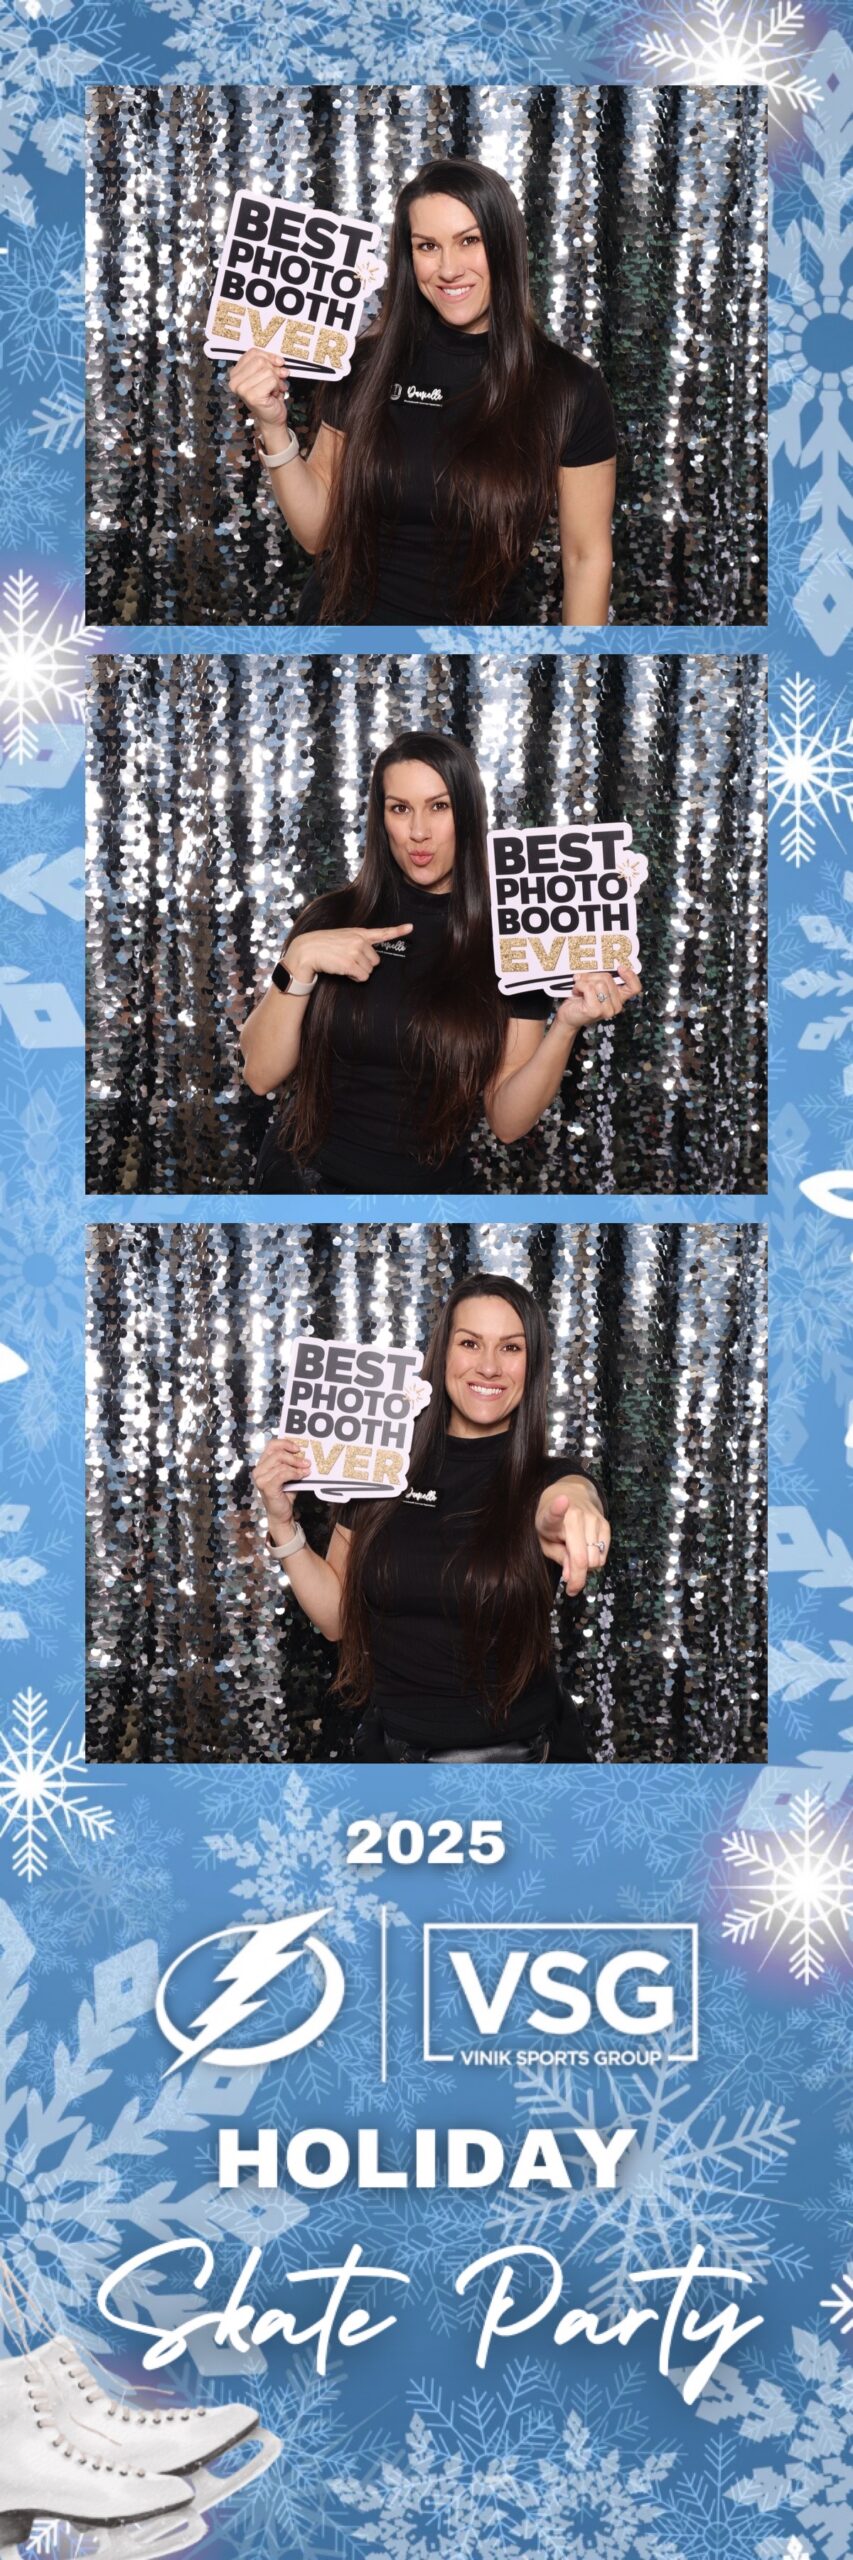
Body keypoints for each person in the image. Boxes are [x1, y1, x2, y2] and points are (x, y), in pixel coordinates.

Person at [239, 730, 640, 1194]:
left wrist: (567, 1025)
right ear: (381, 818)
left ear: (467, 814)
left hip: (430, 1200)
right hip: (303, 1186)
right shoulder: (332, 917)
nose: (418, 832)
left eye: (439, 806)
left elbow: (507, 1123)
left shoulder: (513, 937)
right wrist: (301, 958)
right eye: (400, 808)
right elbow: (260, 1073)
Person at [229, 157, 617, 627]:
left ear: (503, 244)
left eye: (469, 241)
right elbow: (317, 533)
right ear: (408, 257)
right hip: (343, 650)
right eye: (427, 246)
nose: (449, 268)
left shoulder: (568, 388)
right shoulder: (364, 363)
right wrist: (273, 426)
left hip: (481, 665)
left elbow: (585, 557)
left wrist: (578, 678)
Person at [253, 1274, 609, 1761]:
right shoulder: (383, 1462)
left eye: (510, 1348)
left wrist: (574, 1510)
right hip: (392, 1760)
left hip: (521, 1765)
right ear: (442, 1355)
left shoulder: (548, 1479)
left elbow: (566, 1499)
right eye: (470, 1343)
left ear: (533, 1365)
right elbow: (337, 1619)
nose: (488, 1366)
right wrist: (280, 1519)